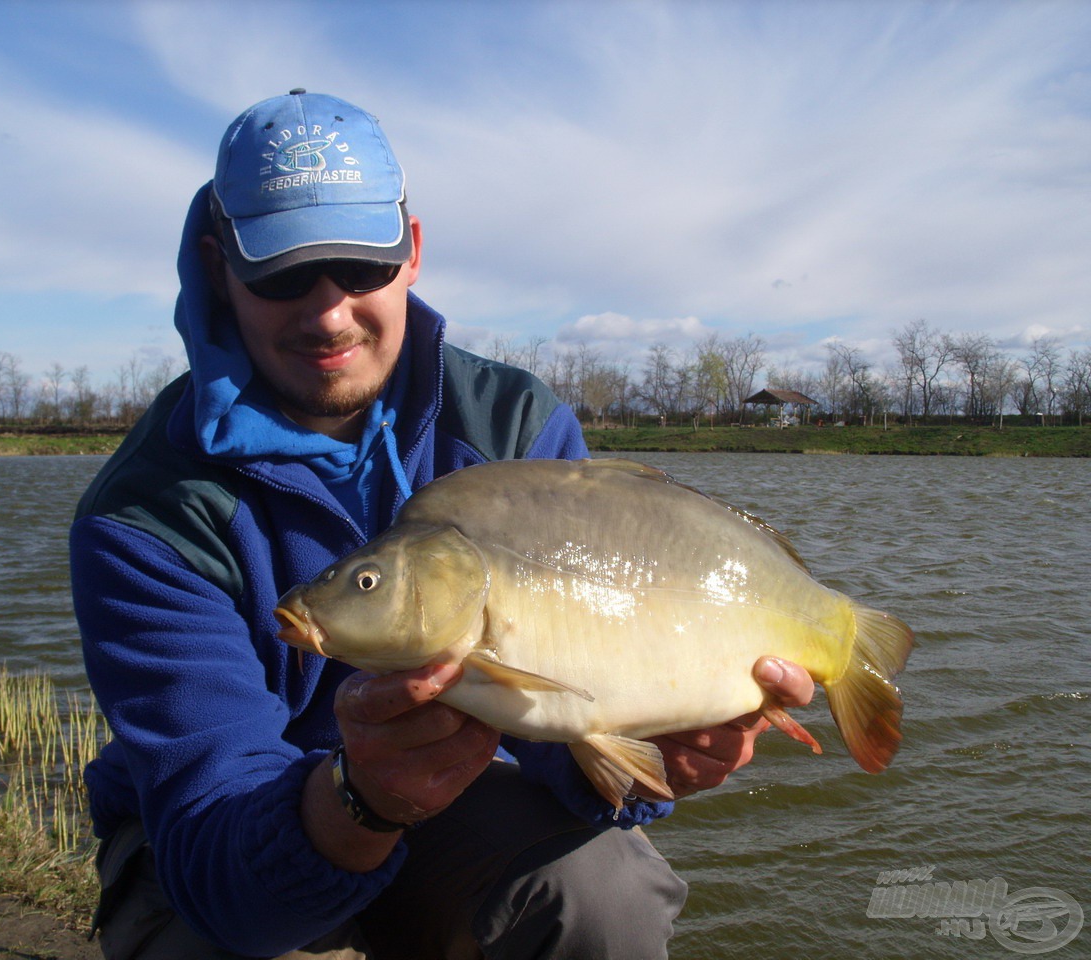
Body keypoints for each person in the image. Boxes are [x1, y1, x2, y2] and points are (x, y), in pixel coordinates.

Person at [70, 89, 815, 960]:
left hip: (451, 801)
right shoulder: (146, 515)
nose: (328, 312)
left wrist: (657, 753)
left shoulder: (513, 430)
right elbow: (218, 851)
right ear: (217, 265)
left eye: (360, 268)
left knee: (605, 895)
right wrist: (361, 799)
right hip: (226, 846)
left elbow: (567, 734)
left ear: (412, 252)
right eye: (281, 274)